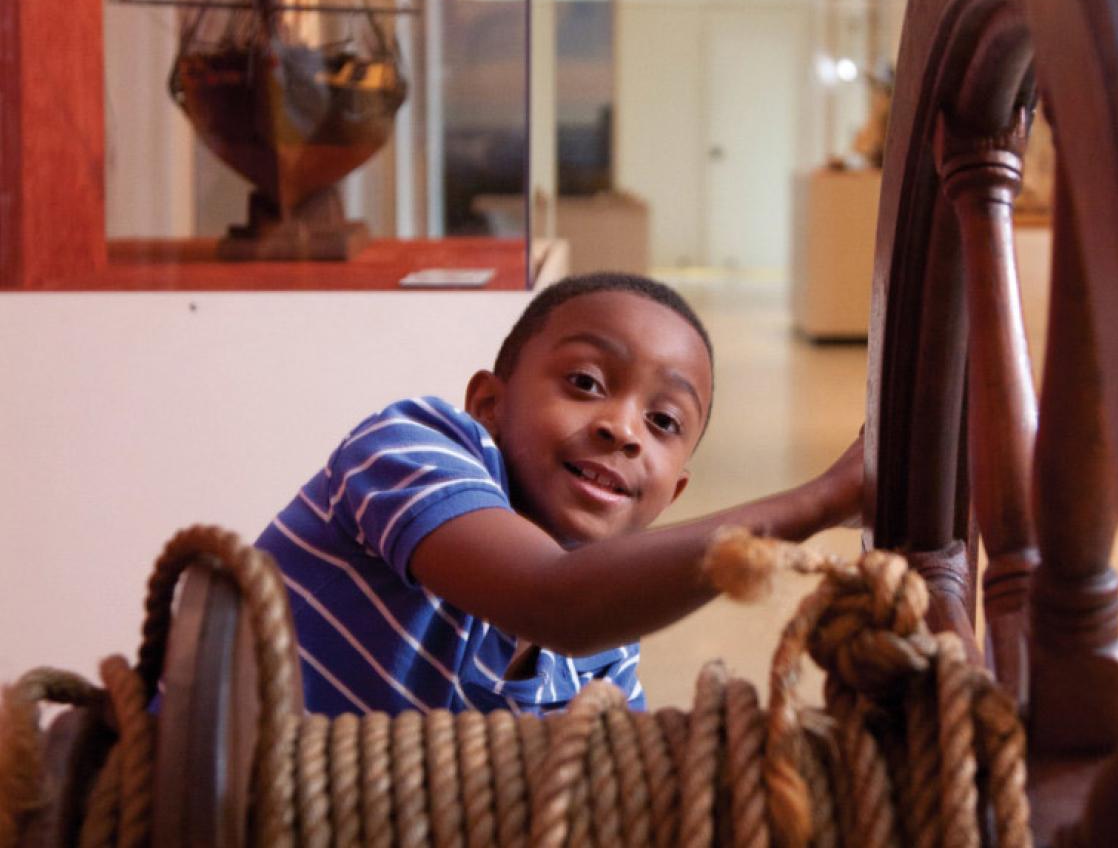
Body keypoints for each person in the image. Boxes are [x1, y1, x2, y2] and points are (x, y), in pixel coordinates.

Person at [256, 271, 866, 717]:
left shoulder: (607, 641)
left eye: (663, 421)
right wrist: (822, 500)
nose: (623, 429)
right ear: (488, 405)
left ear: (673, 494)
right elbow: (552, 600)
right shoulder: (406, 448)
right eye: (586, 382)